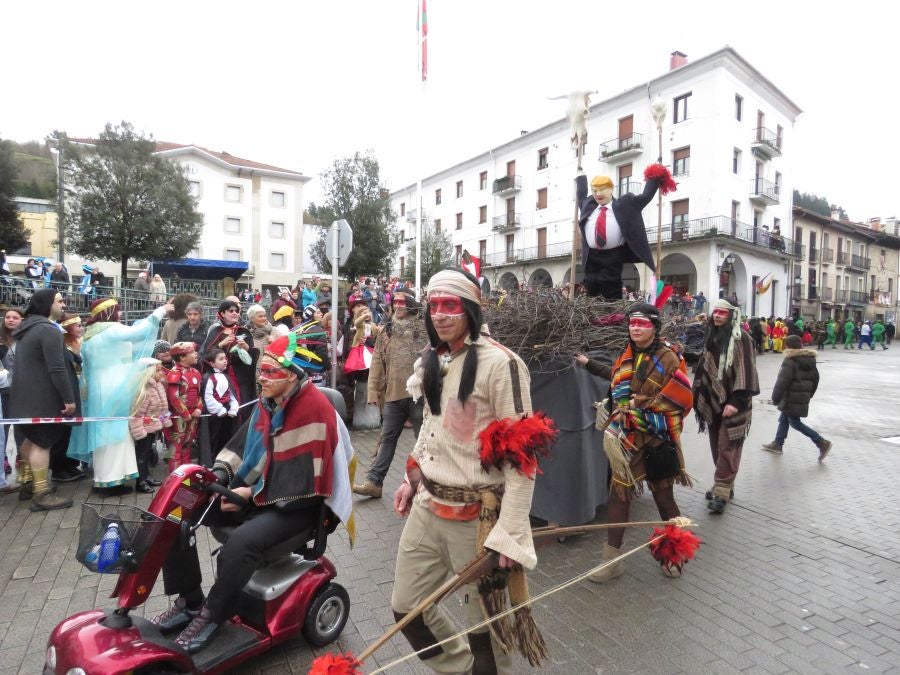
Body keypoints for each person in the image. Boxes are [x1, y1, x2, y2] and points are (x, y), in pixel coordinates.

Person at [151, 333, 354, 654]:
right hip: (260, 494)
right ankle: (190, 601)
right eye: (262, 371)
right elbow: (241, 448)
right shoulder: (267, 402)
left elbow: (306, 484)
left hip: (299, 506)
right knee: (177, 514)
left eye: (270, 372)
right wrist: (220, 476)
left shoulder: (314, 410)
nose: (262, 378)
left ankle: (212, 615)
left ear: (292, 376)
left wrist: (249, 494)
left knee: (240, 544)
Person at [391, 268, 550, 673]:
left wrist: (510, 534)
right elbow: (431, 425)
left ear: (471, 309)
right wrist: (412, 477)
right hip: (427, 507)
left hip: (478, 520)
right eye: (434, 306)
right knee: (407, 610)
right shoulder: (433, 357)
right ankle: (461, 669)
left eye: (451, 305)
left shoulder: (503, 364)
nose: (440, 315)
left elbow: (522, 459)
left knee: (487, 636)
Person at [575, 303, 693, 581]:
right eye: (632, 323)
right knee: (619, 495)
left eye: (642, 323)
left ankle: (674, 555)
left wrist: (636, 407)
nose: (636, 328)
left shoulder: (668, 358)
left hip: (657, 440)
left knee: (664, 498)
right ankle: (611, 561)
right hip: (627, 439)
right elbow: (616, 378)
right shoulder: (626, 355)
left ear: (655, 327)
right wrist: (588, 363)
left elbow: (681, 399)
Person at [68, 298, 173, 490]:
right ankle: (113, 480)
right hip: (115, 386)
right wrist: (160, 311)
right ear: (108, 312)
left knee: (104, 431)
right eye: (118, 310)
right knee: (117, 432)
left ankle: (106, 478)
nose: (121, 313)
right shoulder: (111, 329)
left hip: (100, 388)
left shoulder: (90, 334)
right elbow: (139, 332)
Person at [353, 289, 425, 498]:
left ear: (411, 303)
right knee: (386, 439)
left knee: (423, 442)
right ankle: (374, 482)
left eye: (402, 302)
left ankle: (425, 485)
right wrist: (373, 392)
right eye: (395, 302)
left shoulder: (425, 329)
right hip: (393, 395)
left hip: (420, 396)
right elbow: (376, 361)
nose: (397, 305)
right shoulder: (387, 331)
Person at [9, 289, 76, 510]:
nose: (63, 305)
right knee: (42, 443)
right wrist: (68, 399)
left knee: (30, 441)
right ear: (48, 305)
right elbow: (57, 368)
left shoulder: (28, 328)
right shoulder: (47, 330)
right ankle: (41, 494)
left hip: (23, 399)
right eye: (60, 301)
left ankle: (31, 485)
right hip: (42, 399)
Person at [692, 299, 759, 514]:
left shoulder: (742, 339)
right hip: (713, 402)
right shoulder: (712, 335)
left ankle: (721, 490)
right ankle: (725, 484)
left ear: (732, 315)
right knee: (716, 445)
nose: (717, 316)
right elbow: (704, 365)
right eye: (716, 312)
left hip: (735, 402)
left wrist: (736, 401)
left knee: (727, 446)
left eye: (722, 313)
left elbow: (746, 371)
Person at [575, 163, 672, 299]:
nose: (598, 194)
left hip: (613, 255)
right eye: (594, 190)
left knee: (610, 285)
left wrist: (655, 176)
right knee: (590, 284)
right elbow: (581, 195)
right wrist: (580, 176)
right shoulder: (588, 205)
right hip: (591, 255)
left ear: (611, 189)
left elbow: (644, 197)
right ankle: (592, 309)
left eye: (602, 190)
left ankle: (611, 310)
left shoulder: (625, 205)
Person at [760, 335, 832, 461]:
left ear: (787, 346)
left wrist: (775, 398)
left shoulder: (790, 360)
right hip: (802, 397)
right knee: (784, 418)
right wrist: (808, 394)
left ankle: (821, 442)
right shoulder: (810, 360)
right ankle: (778, 443)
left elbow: (782, 381)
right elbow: (816, 379)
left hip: (790, 397)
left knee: (794, 422)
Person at [200, 300, 259, 422]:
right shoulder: (215, 331)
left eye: (237, 311)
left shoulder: (244, 332)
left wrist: (246, 348)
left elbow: (252, 358)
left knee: (242, 407)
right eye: (231, 311)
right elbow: (206, 356)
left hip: (241, 378)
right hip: (220, 377)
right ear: (222, 313)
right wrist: (221, 344)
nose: (235, 313)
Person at [50, 314, 87, 483]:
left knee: (71, 430)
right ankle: (58, 467)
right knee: (63, 431)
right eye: (77, 325)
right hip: (67, 391)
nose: (81, 328)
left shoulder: (79, 343)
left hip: (78, 389)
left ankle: (69, 464)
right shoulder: (63, 347)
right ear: (67, 329)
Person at [129, 358, 170, 493]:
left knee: (147, 453)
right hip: (144, 428)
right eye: (157, 370)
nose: (161, 373)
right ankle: (140, 481)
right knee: (142, 455)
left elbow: (162, 408)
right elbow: (136, 414)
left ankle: (146, 476)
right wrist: (140, 431)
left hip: (153, 426)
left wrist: (164, 420)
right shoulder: (144, 390)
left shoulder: (158, 386)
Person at [165, 342, 203, 472]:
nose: (196, 354)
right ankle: (175, 476)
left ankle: (187, 476)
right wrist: (185, 413)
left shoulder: (196, 372)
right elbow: (173, 397)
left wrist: (199, 408)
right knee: (176, 447)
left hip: (193, 415)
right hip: (179, 416)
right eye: (192, 352)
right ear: (182, 357)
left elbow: (199, 394)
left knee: (188, 446)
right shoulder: (175, 373)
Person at [200, 348, 238, 463]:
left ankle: (223, 460)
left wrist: (233, 408)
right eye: (221, 359)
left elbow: (231, 395)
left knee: (226, 436)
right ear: (212, 363)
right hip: (214, 414)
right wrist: (219, 409)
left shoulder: (226, 377)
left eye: (225, 358)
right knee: (213, 438)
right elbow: (208, 397)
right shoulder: (208, 377)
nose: (225, 361)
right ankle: (211, 461)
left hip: (227, 413)